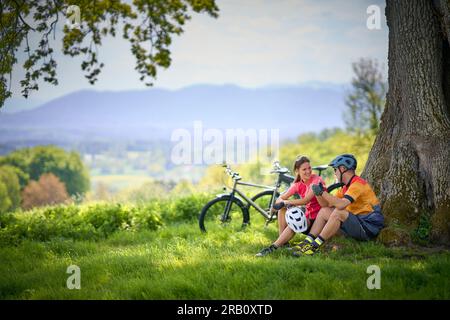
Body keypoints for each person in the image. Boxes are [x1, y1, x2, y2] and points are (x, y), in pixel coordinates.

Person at [293, 154, 384, 256]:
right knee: (324, 211)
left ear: (343, 169)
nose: (335, 173)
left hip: (368, 227)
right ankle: (306, 243)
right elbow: (326, 205)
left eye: (335, 170)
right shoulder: (345, 188)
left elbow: (341, 205)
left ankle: (314, 246)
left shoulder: (358, 184)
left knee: (339, 212)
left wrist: (323, 193)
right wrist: (318, 193)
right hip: (357, 221)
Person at [255, 156, 327, 257]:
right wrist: (281, 203)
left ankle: (274, 246)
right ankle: (281, 242)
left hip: (321, 221)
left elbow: (306, 199)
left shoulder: (317, 180)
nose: (308, 171)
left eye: (309, 168)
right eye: (304, 169)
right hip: (309, 219)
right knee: (284, 209)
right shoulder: (297, 184)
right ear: (297, 171)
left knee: (292, 212)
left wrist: (286, 202)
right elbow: (280, 198)